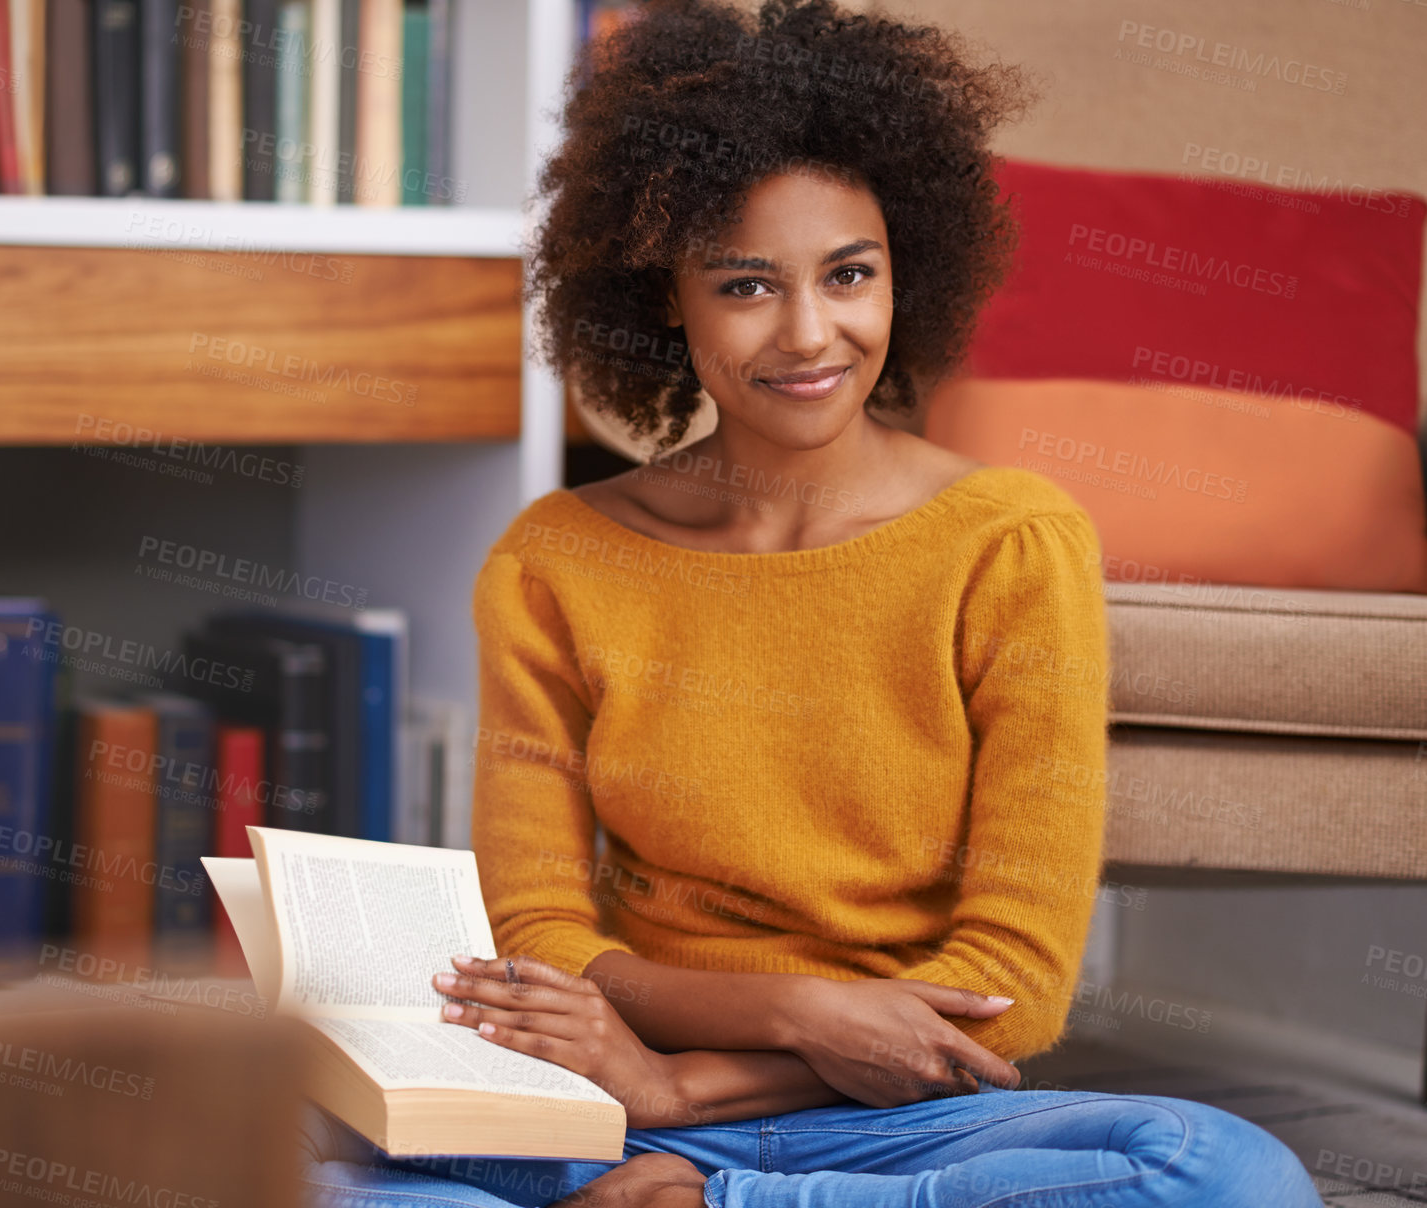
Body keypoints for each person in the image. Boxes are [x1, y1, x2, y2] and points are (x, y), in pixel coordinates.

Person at [298, 1, 1323, 1204]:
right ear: (664, 302)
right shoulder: (554, 561)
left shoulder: (1010, 542)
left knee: (1220, 1175)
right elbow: (539, 936)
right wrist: (769, 1018)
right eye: (744, 285)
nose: (808, 332)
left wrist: (695, 1092)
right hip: (605, 1102)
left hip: (894, 1114)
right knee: (296, 1154)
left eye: (849, 274)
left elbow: (1009, 988)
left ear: (906, 273)